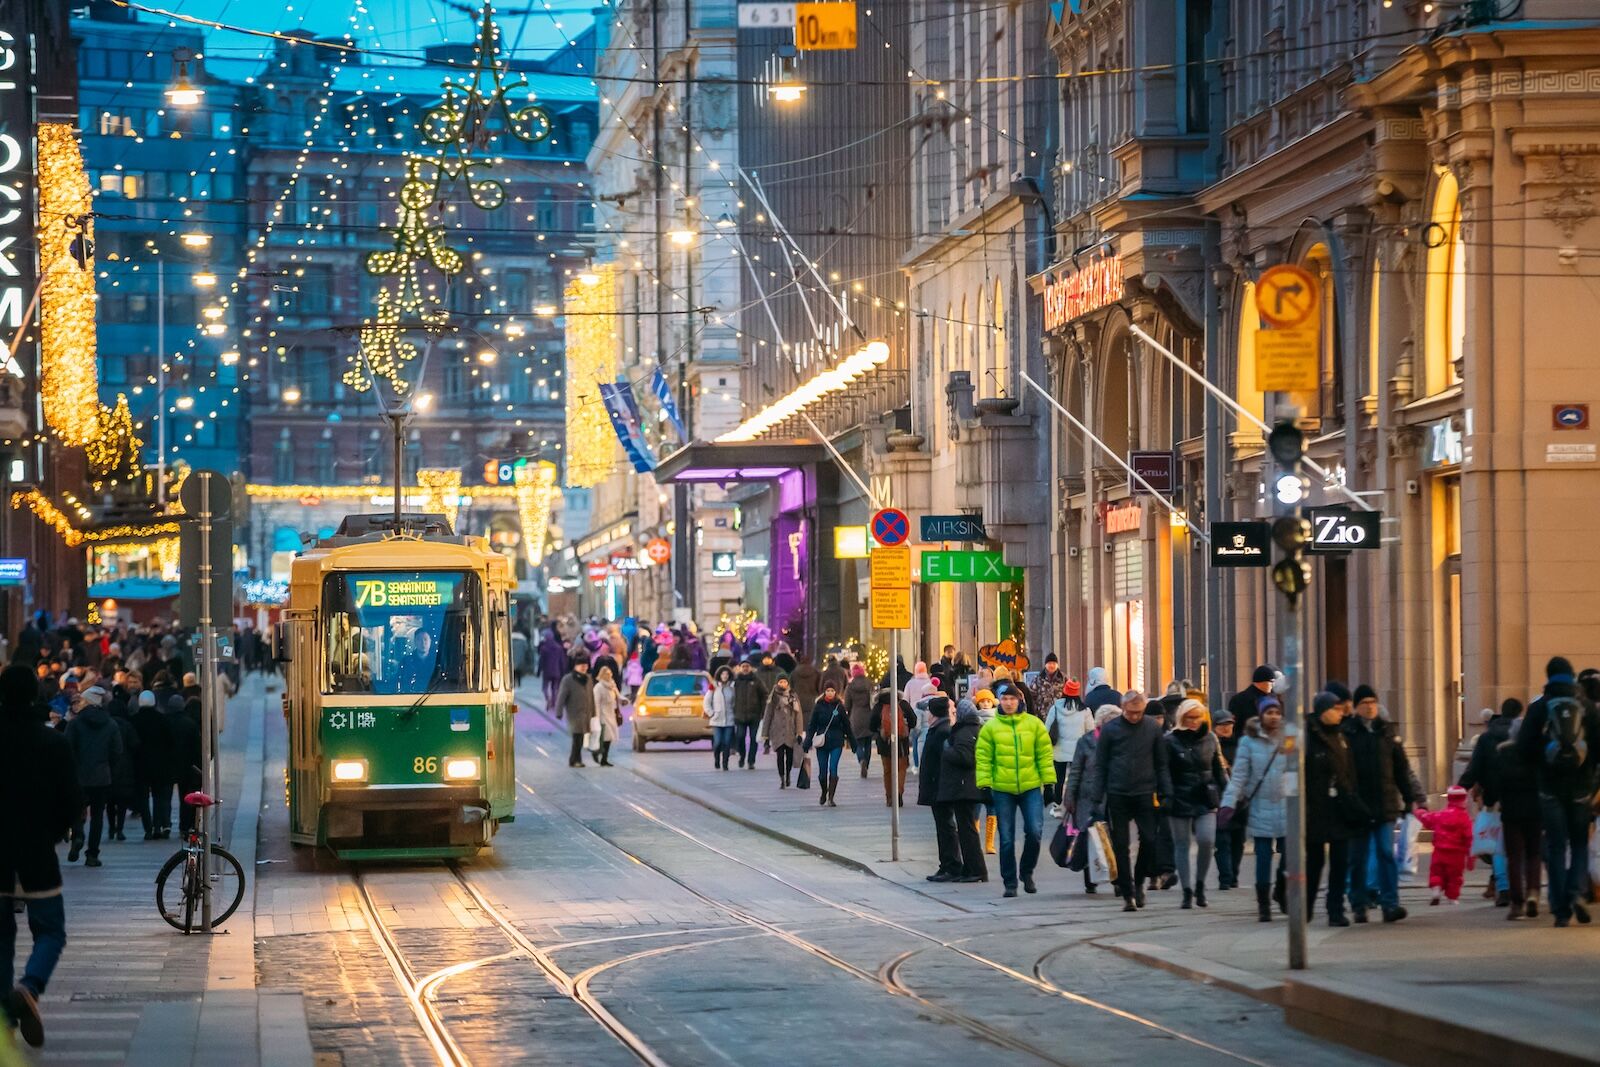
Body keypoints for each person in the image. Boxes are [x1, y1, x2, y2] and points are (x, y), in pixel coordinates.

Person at [0, 664, 80, 1049]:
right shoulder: (52, 743)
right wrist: (53, 833)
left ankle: (4, 1010)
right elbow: (71, 802)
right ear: (35, 695)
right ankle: (30, 987)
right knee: (50, 930)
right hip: (35, 853)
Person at [1515, 656, 1600, 927]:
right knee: (1578, 844)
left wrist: (1539, 768)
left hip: (1550, 788)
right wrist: (1591, 780)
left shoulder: (1539, 707)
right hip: (1580, 788)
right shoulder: (1586, 706)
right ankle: (1576, 892)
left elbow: (1523, 747)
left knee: (1554, 845)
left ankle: (1559, 907)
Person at [1088, 689, 1173, 911]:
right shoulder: (1110, 730)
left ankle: (1140, 881)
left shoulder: (1152, 728)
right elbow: (1101, 765)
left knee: (1149, 840)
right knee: (1121, 844)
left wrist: (1166, 790)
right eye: (1130, 712)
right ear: (1123, 709)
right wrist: (1097, 797)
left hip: (1145, 791)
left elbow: (1161, 763)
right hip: (1118, 792)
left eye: (1139, 712)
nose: (1134, 716)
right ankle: (1128, 892)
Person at [1343, 684, 1416, 923]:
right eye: (1365, 703)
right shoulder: (1348, 733)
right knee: (1358, 858)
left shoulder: (1387, 733)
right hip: (1358, 807)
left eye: (1373, 702)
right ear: (1356, 707)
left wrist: (1409, 798)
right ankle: (1359, 902)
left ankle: (1390, 903)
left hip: (1385, 804)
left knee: (1386, 853)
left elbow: (1401, 770)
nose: (1370, 707)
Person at [975, 681, 1055, 898]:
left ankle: (1026, 871)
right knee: (1007, 838)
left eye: (1012, 699)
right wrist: (984, 785)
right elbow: (983, 758)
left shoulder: (1034, 724)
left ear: (1019, 700)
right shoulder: (990, 728)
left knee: (1035, 831)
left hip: (1030, 786)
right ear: (999, 701)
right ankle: (1010, 881)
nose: (1009, 703)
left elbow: (1044, 755)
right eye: (1005, 699)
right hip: (1002, 788)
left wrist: (1049, 783)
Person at [1219, 694, 1289, 922]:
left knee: (1289, 857)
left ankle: (1281, 889)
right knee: (1263, 857)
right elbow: (1239, 776)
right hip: (1260, 806)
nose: (1274, 717)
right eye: (1269, 712)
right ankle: (1263, 903)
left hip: (1286, 806)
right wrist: (1228, 804)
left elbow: (1297, 770)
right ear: (1261, 715)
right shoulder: (1248, 741)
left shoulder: (1289, 738)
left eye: (1277, 712)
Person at [1304, 690, 1363, 927]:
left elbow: (1349, 772)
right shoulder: (1307, 736)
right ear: (1322, 711)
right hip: (1315, 810)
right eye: (1335, 709)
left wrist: (1352, 797)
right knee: (1314, 862)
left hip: (1339, 809)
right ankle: (1305, 907)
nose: (1340, 713)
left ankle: (1335, 909)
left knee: (1340, 862)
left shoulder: (1341, 736)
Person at [1165, 699, 1226, 909]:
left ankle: (1200, 884)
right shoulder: (1170, 741)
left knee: (1207, 840)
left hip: (1205, 796)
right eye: (1189, 717)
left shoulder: (1210, 738)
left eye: (1197, 717)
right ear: (1181, 718)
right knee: (1182, 844)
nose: (1193, 721)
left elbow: (1219, 768)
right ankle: (1187, 890)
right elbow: (1164, 771)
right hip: (1178, 797)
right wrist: (1165, 795)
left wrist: (1227, 795)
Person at [1486, 711, 1542, 919]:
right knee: (1534, 854)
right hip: (1535, 810)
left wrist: (1491, 800)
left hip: (1510, 812)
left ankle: (1516, 902)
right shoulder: (1536, 753)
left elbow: (1495, 782)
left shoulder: (1503, 753)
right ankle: (1533, 893)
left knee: (1514, 856)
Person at [65, 686, 122, 869]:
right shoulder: (111, 724)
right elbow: (117, 751)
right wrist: (108, 768)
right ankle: (92, 855)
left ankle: (78, 835)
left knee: (75, 810)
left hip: (78, 776)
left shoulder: (75, 723)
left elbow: (66, 748)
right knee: (97, 816)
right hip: (101, 777)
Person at [1065, 706, 1119, 894]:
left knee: (1114, 836)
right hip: (1087, 796)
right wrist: (1069, 797)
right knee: (1091, 835)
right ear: (1101, 723)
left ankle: (1117, 879)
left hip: (1113, 795)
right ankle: (1090, 877)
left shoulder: (1119, 741)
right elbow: (1076, 771)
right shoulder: (1086, 742)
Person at [939, 697, 988, 883]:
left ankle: (976, 869)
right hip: (965, 787)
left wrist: (947, 749)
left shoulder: (966, 731)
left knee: (967, 830)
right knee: (967, 829)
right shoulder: (972, 728)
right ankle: (970, 869)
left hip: (964, 787)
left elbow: (966, 758)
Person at [918, 695, 960, 880]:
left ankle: (951, 865)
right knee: (943, 827)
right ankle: (945, 865)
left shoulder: (942, 731)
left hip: (940, 787)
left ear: (934, 713)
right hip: (936, 786)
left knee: (946, 827)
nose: (926, 714)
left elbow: (945, 760)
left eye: (928, 710)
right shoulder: (937, 729)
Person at [1413, 785, 1474, 905]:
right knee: (1455, 877)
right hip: (1457, 855)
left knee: (1436, 873)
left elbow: (1427, 818)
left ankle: (1436, 890)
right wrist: (1471, 857)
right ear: (1464, 800)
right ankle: (1453, 897)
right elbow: (1469, 838)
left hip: (1439, 852)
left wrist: (1419, 811)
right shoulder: (1465, 819)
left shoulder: (1441, 815)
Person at [802, 682, 855, 807]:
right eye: (828, 690)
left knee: (833, 768)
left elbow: (847, 726)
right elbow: (812, 725)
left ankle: (831, 797)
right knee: (822, 772)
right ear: (824, 692)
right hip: (822, 743)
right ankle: (823, 792)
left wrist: (853, 742)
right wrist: (807, 741)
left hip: (836, 741)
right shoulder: (818, 706)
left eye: (832, 690)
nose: (830, 693)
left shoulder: (839, 707)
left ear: (835, 692)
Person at [1042, 681, 1089, 814]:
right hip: (1078, 751)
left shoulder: (1055, 708)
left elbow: (1047, 728)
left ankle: (1057, 807)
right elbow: (1090, 730)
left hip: (1059, 749)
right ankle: (1076, 805)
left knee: (1059, 779)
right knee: (1077, 778)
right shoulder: (1085, 710)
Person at [131, 689, 172, 838]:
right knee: (158, 797)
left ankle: (147, 828)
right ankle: (157, 826)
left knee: (143, 799)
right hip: (158, 766)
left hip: (140, 766)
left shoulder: (134, 720)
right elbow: (169, 743)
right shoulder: (162, 719)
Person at [1211, 709, 1243, 890]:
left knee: (1238, 839)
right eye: (1222, 724)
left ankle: (1234, 875)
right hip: (1220, 798)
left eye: (1229, 724)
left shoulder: (1240, 744)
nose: (1226, 727)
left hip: (1239, 798)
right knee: (1222, 840)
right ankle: (1225, 877)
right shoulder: (1211, 743)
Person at [106, 683, 141, 843]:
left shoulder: (107, 725)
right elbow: (135, 745)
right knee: (121, 802)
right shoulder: (127, 725)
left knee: (110, 802)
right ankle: (119, 828)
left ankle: (111, 828)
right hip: (125, 766)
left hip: (108, 766)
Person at [870, 686, 916, 807]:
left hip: (884, 742)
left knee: (888, 770)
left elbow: (871, 724)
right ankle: (899, 792)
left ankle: (890, 796)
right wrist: (907, 729)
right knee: (901, 768)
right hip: (901, 742)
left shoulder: (878, 706)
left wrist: (879, 730)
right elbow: (913, 720)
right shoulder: (903, 704)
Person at [760, 674, 805, 789]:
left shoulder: (793, 696)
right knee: (780, 756)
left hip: (791, 730)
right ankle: (782, 778)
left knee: (789, 756)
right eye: (780, 682)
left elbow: (798, 715)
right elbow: (768, 716)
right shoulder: (773, 697)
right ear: (777, 683)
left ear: (788, 683)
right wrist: (765, 736)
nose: (783, 684)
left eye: (785, 682)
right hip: (777, 731)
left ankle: (788, 774)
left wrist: (799, 732)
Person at [551, 655, 596, 768]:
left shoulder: (589, 679)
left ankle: (575, 759)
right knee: (577, 737)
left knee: (580, 737)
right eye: (582, 666)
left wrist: (594, 712)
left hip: (586, 713)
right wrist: (559, 711)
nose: (584, 668)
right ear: (576, 666)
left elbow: (591, 696)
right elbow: (561, 696)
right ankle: (575, 759)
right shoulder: (568, 679)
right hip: (574, 713)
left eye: (586, 666)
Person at [730, 660, 768, 770]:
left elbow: (764, 695)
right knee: (740, 737)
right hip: (740, 715)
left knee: (753, 739)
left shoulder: (756, 681)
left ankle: (751, 761)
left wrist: (762, 710)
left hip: (754, 715)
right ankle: (742, 756)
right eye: (743, 666)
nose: (745, 668)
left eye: (747, 666)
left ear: (751, 668)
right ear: (740, 668)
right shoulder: (736, 682)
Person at [1227, 665, 1277, 735]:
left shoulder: (1273, 699)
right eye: (1271, 681)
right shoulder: (1239, 700)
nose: (1273, 684)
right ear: (1261, 681)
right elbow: (1235, 726)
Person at [704, 666, 737, 770]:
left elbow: (735, 702)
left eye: (727, 674)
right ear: (719, 675)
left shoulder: (732, 688)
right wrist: (711, 713)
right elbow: (707, 701)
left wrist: (735, 714)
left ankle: (725, 763)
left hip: (729, 720)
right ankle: (717, 759)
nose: (725, 676)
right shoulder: (714, 687)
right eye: (723, 674)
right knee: (717, 742)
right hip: (716, 720)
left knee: (727, 742)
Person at [590, 663, 621, 767]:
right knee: (603, 737)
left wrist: (624, 700)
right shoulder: (598, 687)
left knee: (609, 738)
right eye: (607, 674)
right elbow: (596, 703)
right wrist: (597, 717)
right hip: (603, 715)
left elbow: (618, 696)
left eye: (610, 673)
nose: (609, 676)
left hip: (611, 713)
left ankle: (604, 759)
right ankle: (596, 752)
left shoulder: (612, 685)